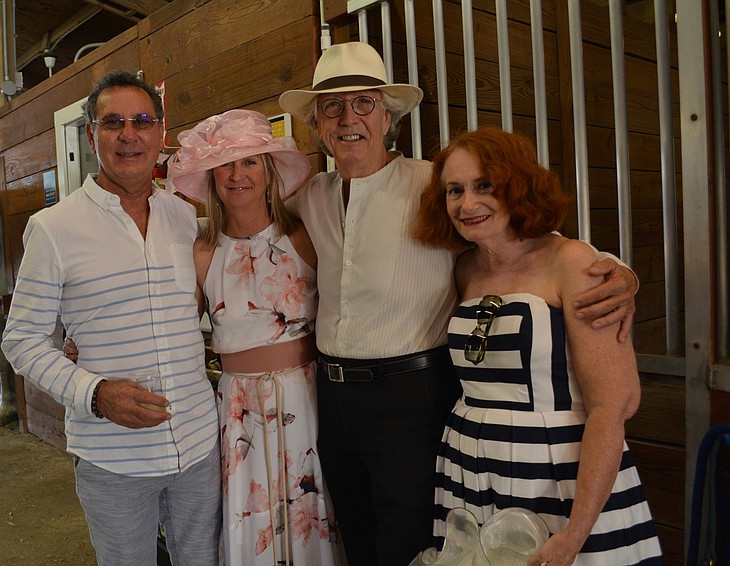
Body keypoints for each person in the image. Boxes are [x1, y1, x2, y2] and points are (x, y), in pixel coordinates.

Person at [278, 41, 640, 565]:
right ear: (317, 126)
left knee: (407, 543)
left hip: (412, 394)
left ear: (387, 117)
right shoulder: (310, 195)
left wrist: (618, 272)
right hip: (332, 399)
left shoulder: (436, 185)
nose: (348, 118)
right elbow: (250, 227)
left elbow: (524, 241)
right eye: (331, 107)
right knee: (353, 532)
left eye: (364, 103)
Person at [2, 70, 221, 566]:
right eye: (113, 122)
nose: (129, 135)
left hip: (198, 445)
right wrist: (95, 394)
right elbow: (22, 340)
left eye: (142, 121)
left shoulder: (184, 217)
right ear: (91, 135)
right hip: (113, 456)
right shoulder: (53, 228)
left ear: (161, 134)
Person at [416, 128, 663, 565]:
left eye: (484, 185)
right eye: (455, 190)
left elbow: (614, 405)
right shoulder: (463, 268)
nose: (467, 204)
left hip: (557, 473)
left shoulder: (571, 261)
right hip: (469, 467)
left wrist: (575, 533)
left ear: (519, 186)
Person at [166, 109, 344, 565]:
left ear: (268, 172)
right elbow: (174, 327)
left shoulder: (302, 236)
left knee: (312, 506)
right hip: (238, 407)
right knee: (250, 512)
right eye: (225, 165)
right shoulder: (202, 251)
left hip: (306, 397)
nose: (237, 175)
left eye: (249, 162)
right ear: (211, 177)